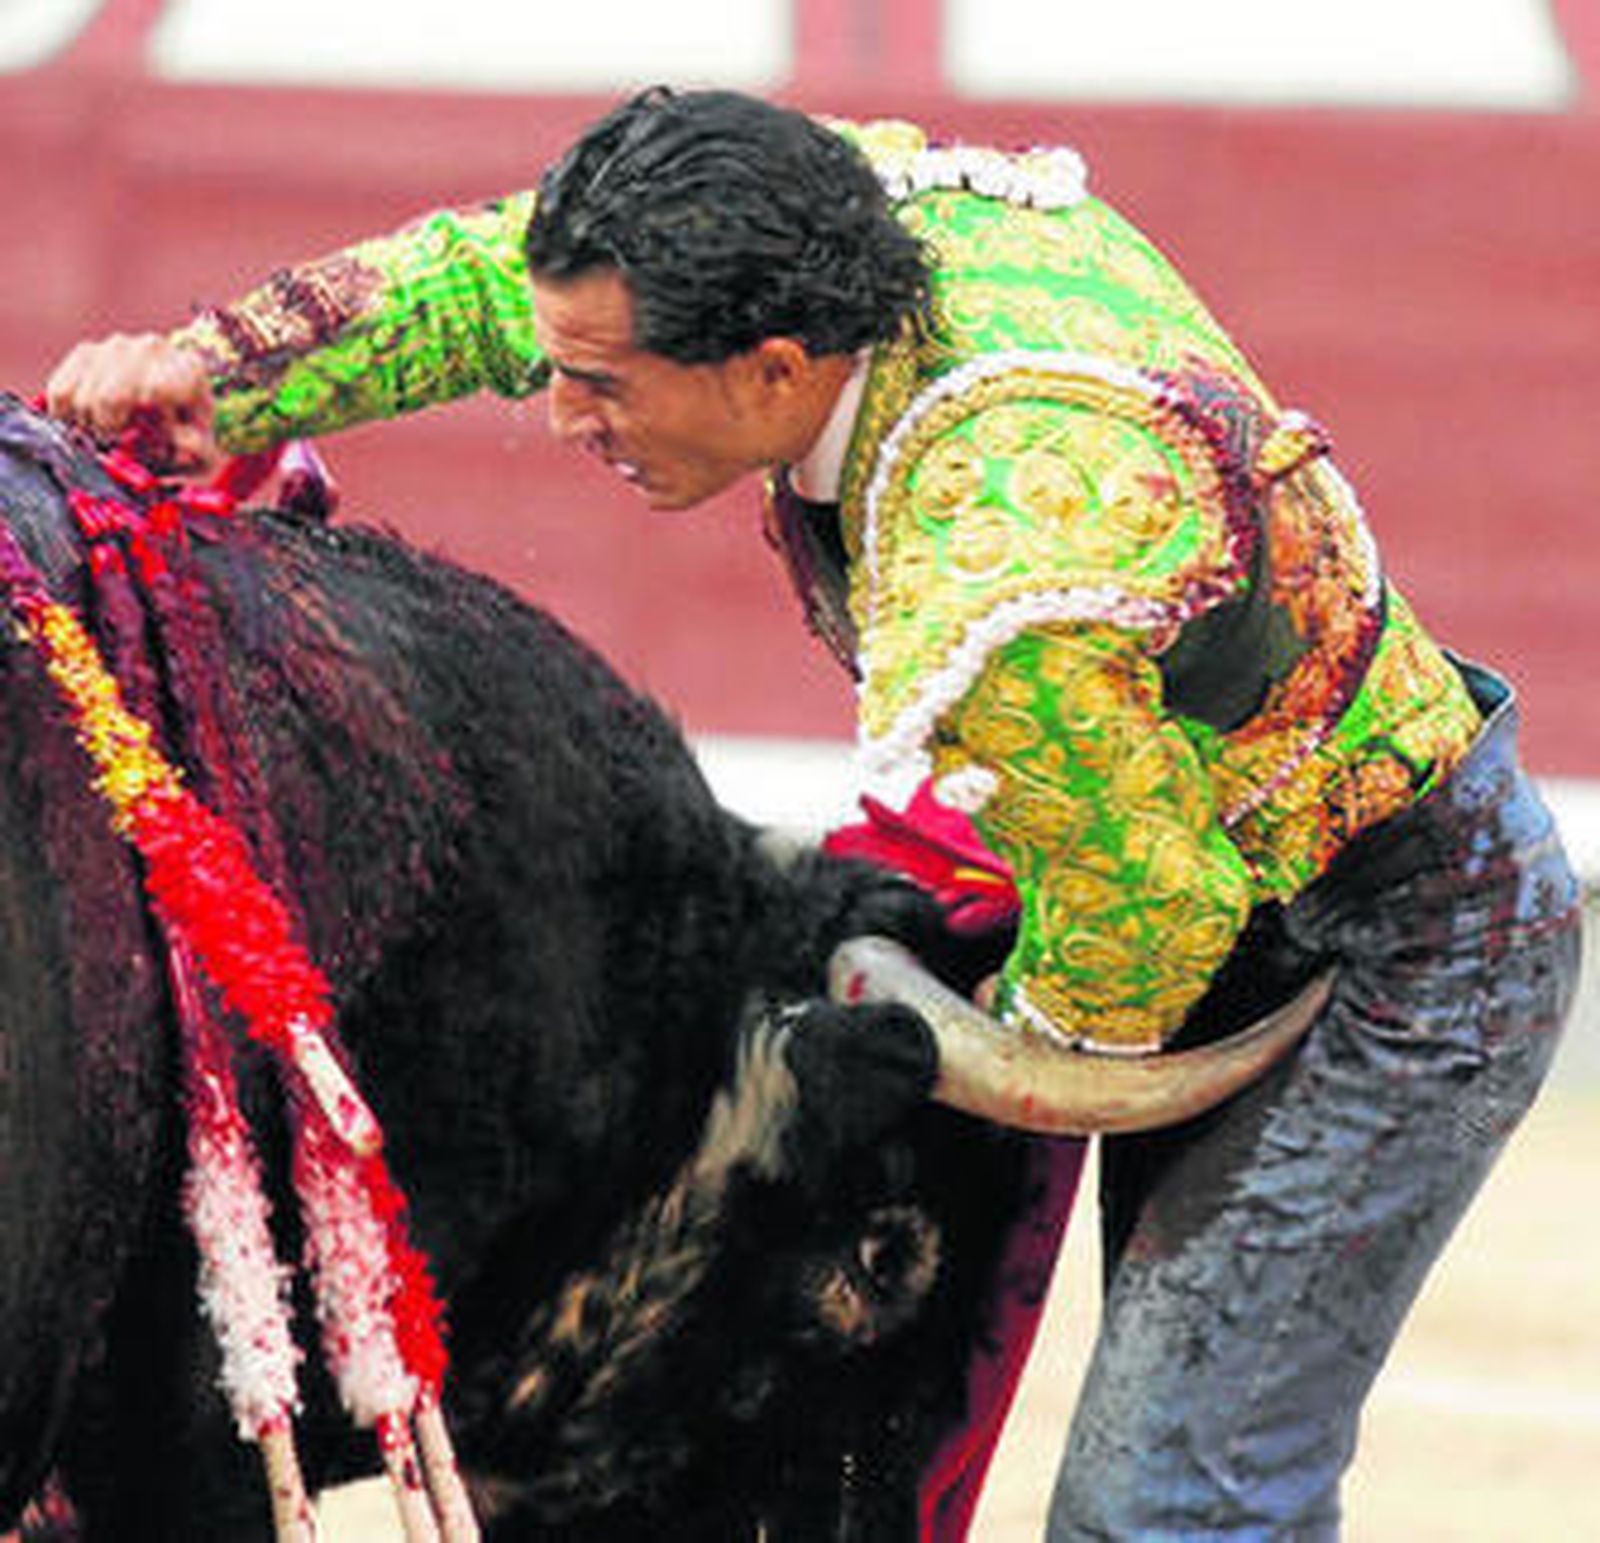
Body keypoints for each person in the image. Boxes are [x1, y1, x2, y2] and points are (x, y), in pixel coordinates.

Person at [47, 88, 1582, 1539]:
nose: (564, 412)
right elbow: (485, 285)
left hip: (1393, 942)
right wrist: (231, 369)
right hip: (1154, 826)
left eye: (600, 386)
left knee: (1170, 1498)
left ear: (773, 371)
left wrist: (946, 1064)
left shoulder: (1002, 555)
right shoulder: (839, 233)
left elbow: (1155, 918)